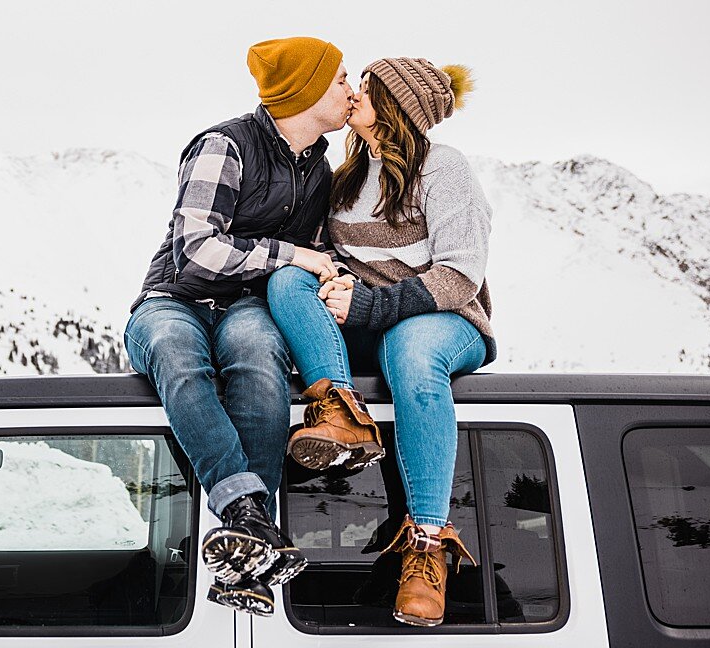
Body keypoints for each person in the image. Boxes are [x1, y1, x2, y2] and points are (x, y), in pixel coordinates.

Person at [121, 36, 357, 616]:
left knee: (258, 359)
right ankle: (247, 516)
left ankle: (246, 554)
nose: (351, 92)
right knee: (179, 357)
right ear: (304, 92)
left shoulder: (320, 169)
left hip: (246, 305)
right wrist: (292, 256)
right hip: (175, 298)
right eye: (341, 80)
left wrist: (334, 278)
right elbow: (197, 252)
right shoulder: (224, 146)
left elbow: (321, 252)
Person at [265, 56, 493, 627]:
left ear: (397, 105)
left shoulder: (445, 169)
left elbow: (458, 274)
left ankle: (426, 546)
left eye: (365, 86)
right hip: (366, 319)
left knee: (412, 352)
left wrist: (370, 305)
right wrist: (334, 277)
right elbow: (330, 253)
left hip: (443, 319)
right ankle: (340, 410)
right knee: (289, 276)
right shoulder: (345, 175)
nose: (352, 92)